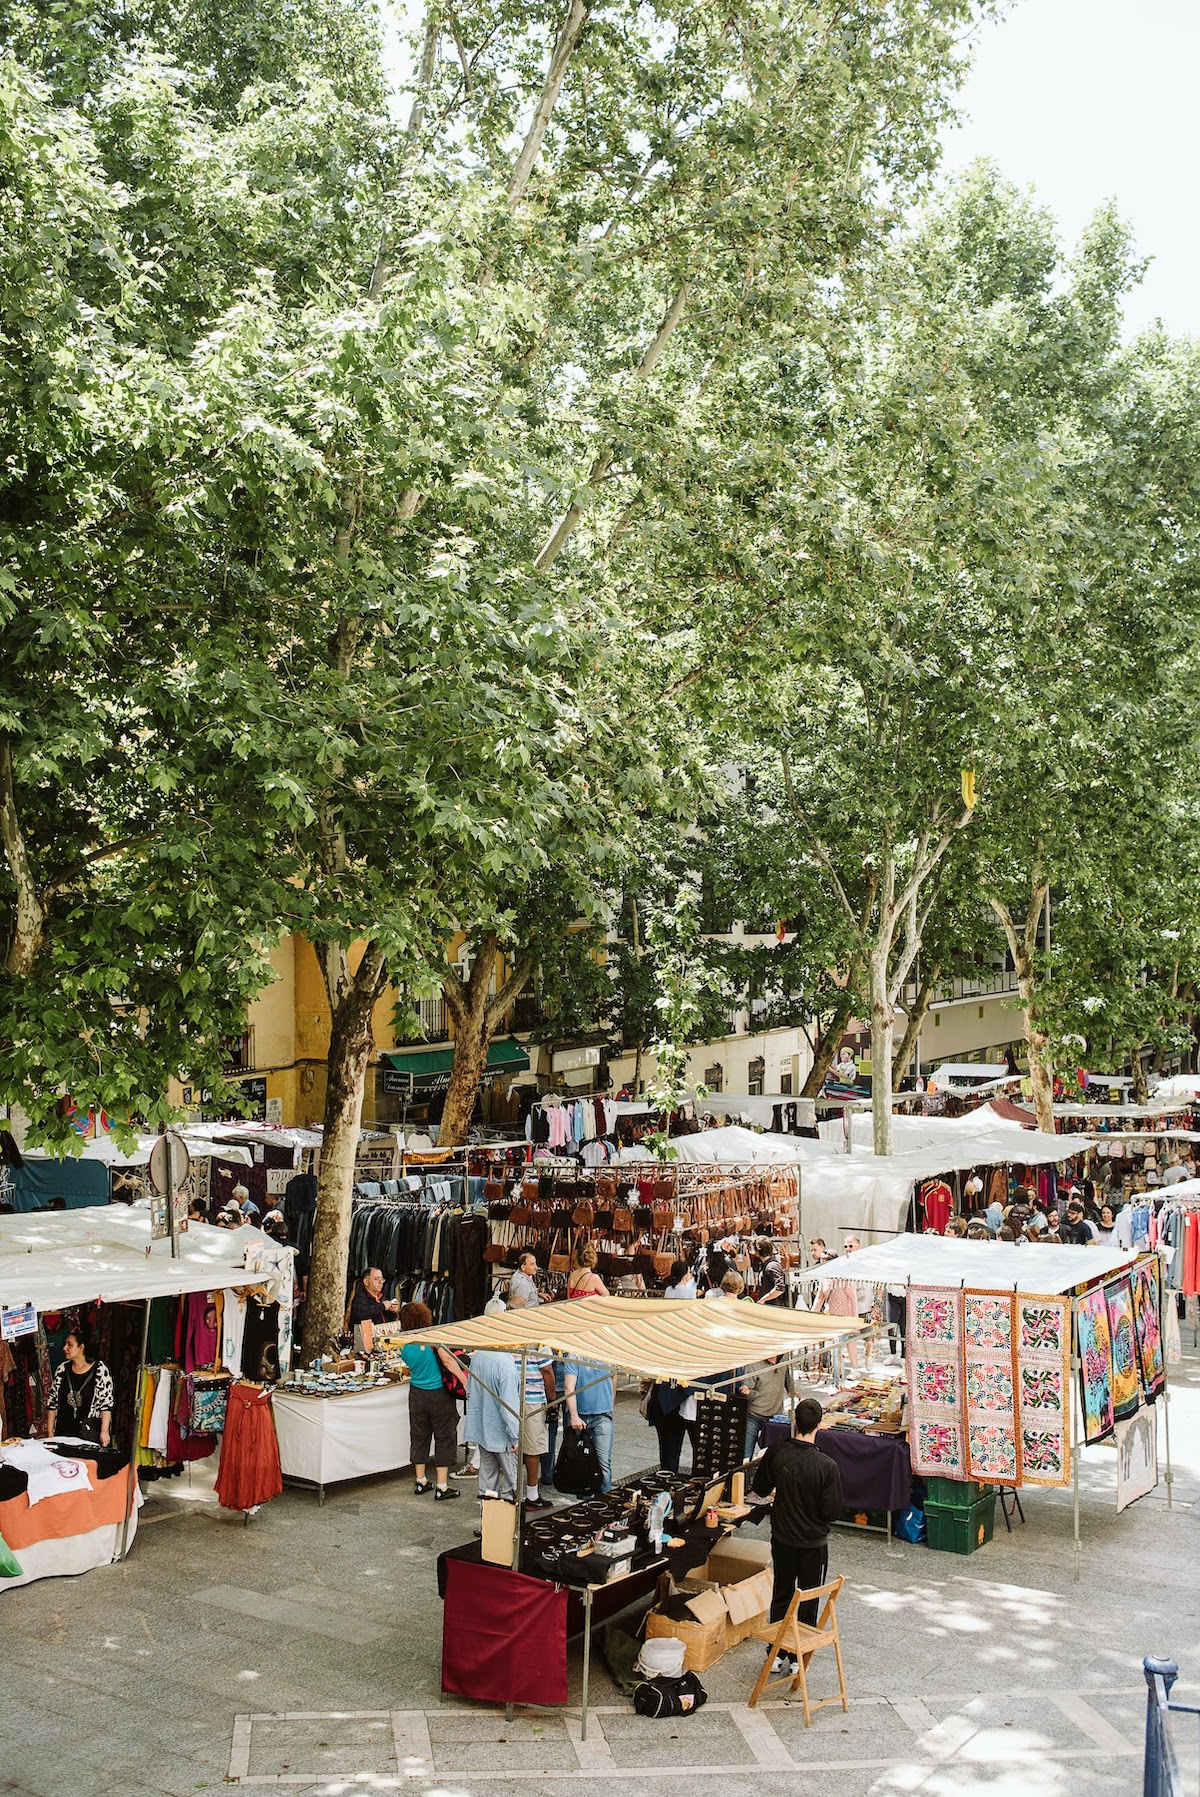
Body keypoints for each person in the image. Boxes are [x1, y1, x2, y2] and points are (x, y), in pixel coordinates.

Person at [751, 1396, 843, 1672]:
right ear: (820, 1425)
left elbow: (762, 1489)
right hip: (813, 1542)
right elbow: (832, 1511)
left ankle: (777, 1650)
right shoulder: (827, 1466)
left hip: (783, 1537)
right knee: (808, 1597)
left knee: (782, 1591)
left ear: (794, 1422)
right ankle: (797, 1655)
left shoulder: (777, 1452)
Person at [398, 1301, 462, 1500]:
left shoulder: (404, 1346)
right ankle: (442, 1486)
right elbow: (449, 1362)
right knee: (444, 1436)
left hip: (417, 1393)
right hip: (438, 1394)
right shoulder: (434, 1339)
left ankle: (420, 1480)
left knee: (419, 1436)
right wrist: (465, 1381)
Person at [507, 1290, 555, 1508]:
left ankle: (510, 1492)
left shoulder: (503, 1337)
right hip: (532, 1398)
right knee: (532, 1447)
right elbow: (547, 1372)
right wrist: (552, 1400)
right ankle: (532, 1495)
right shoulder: (536, 1337)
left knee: (510, 1446)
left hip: (508, 1397)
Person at [465, 1346, 522, 1501]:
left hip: (483, 1428)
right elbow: (508, 1408)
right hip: (502, 1433)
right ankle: (505, 1522)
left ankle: (489, 1521)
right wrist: (516, 1437)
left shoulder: (479, 1355)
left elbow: (469, 1391)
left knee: (487, 1484)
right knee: (511, 1486)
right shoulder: (506, 1365)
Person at [47, 1328, 114, 1446]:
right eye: (65, 1344)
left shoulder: (99, 1370)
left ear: (81, 1347)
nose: (64, 1348)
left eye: (70, 1345)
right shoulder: (62, 1369)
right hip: (63, 1432)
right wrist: (50, 1433)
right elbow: (52, 1403)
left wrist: (104, 1432)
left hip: (88, 1432)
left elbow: (106, 1405)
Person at [564, 1353, 615, 1492]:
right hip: (580, 1416)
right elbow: (569, 1387)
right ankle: (585, 1502)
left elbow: (613, 1377)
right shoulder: (574, 1355)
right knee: (581, 1463)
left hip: (603, 1415)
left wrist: (611, 1406)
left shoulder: (609, 1353)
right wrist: (574, 1415)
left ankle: (605, 1501)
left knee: (604, 1462)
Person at [741, 1355, 792, 1460]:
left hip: (776, 1416)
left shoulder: (784, 1357)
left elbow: (786, 1374)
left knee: (776, 1454)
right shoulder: (753, 1364)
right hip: (754, 1414)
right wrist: (747, 1392)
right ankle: (744, 1474)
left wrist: (790, 1388)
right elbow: (748, 1390)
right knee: (746, 1454)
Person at [349, 1267, 399, 1351]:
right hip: (366, 1345)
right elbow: (360, 1314)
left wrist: (392, 1312)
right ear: (366, 1282)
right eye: (376, 1279)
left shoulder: (381, 1297)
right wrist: (382, 1307)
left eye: (382, 1279)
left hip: (382, 1343)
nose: (380, 1282)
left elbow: (387, 1321)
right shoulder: (360, 1298)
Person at [754, 1240, 787, 1306]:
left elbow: (780, 1287)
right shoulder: (765, 1265)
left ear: (758, 1251)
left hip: (773, 1307)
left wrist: (764, 1299)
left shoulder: (772, 1266)